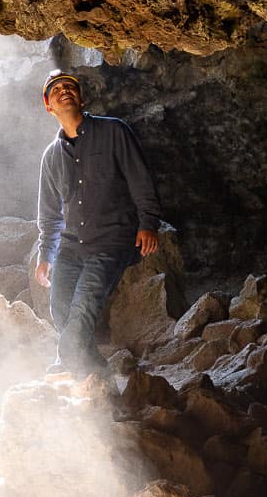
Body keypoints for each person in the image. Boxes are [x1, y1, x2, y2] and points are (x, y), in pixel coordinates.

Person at [31, 68, 171, 381]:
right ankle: (91, 373)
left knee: (82, 311)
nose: (64, 91)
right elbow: (50, 214)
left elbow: (140, 180)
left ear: (81, 97)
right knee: (60, 310)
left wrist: (148, 222)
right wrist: (45, 255)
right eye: (56, 90)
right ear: (48, 105)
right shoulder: (51, 157)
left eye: (70, 87)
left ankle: (82, 375)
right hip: (70, 246)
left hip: (112, 240)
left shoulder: (114, 132)